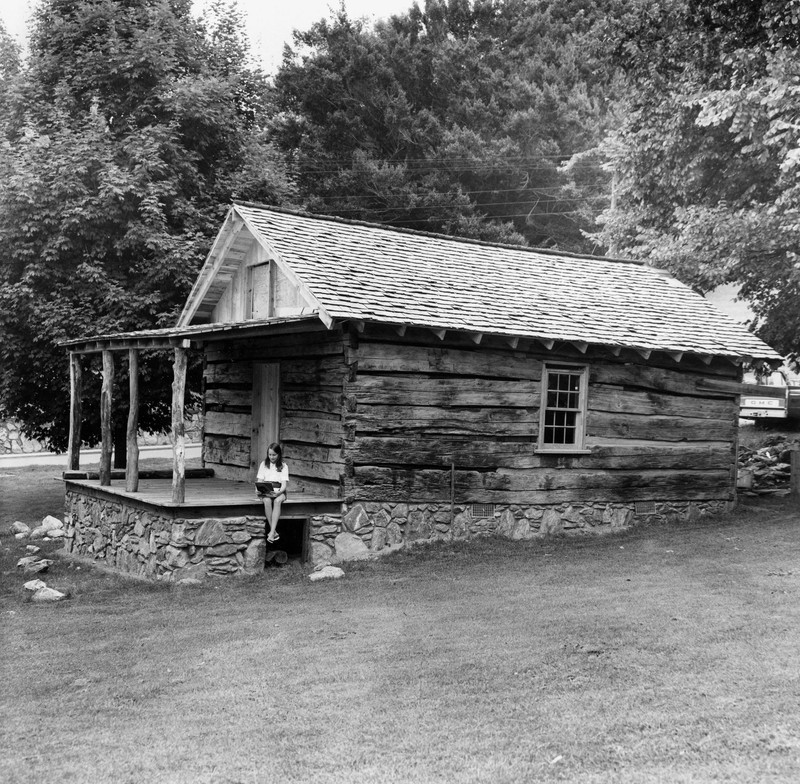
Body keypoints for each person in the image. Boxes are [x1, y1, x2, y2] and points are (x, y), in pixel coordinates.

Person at [256, 442, 289, 544]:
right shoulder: (264, 464)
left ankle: (271, 532)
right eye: (270, 455)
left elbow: (284, 485)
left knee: (277, 501)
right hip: (267, 489)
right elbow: (260, 480)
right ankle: (273, 532)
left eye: (274, 455)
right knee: (266, 500)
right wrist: (257, 489)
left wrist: (278, 493)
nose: (272, 457)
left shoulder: (283, 466)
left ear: (279, 454)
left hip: (279, 491)